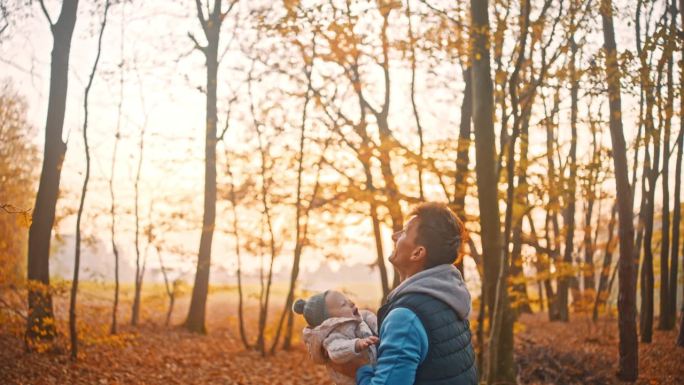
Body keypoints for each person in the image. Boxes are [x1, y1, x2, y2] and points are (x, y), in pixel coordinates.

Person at [355, 202, 477, 385]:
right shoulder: (450, 300)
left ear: (417, 253)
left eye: (403, 232)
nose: (394, 236)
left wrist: (358, 369)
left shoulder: (405, 318)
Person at [293, 290, 379, 385]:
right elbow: (335, 352)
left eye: (348, 300)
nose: (351, 303)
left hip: (373, 370)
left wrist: (380, 327)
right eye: (343, 304)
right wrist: (356, 344)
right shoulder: (332, 336)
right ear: (330, 320)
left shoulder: (356, 320)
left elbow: (368, 317)